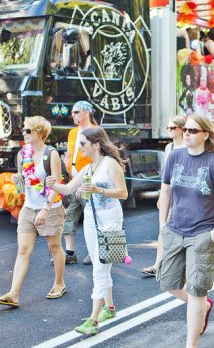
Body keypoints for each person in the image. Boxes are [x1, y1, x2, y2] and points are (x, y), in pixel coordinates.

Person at [157, 114, 214, 347]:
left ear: (206, 134)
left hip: (202, 234)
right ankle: (204, 305)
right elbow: (166, 190)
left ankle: (191, 343)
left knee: (196, 291)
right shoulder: (175, 156)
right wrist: (163, 223)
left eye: (193, 130)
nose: (187, 133)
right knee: (168, 283)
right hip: (175, 230)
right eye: (186, 130)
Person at [46, 127, 128, 335]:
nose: (79, 147)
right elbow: (67, 190)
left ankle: (93, 320)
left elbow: (123, 193)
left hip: (109, 220)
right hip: (91, 222)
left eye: (82, 144)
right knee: (101, 265)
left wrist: (98, 190)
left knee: (100, 268)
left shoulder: (110, 164)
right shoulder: (88, 168)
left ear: (96, 144)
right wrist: (53, 185)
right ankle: (109, 308)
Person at [0, 116, 65, 308]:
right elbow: (23, 185)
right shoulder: (22, 154)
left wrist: (45, 209)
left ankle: (59, 283)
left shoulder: (51, 154)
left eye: (29, 130)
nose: (24, 133)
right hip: (28, 207)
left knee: (54, 247)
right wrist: (17, 183)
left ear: (40, 133)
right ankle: (14, 294)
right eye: (24, 129)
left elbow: (57, 185)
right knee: (23, 249)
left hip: (50, 207)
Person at [141, 116, 186, 276]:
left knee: (180, 229)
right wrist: (161, 195)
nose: (170, 130)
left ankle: (179, 264)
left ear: (181, 129)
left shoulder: (188, 146)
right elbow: (165, 176)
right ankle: (157, 264)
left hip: (184, 193)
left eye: (173, 128)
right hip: (170, 191)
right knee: (163, 226)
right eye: (168, 128)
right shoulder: (169, 147)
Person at [61, 101, 96, 265]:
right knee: (68, 215)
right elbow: (69, 153)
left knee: (91, 217)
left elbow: (100, 158)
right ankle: (70, 253)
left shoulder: (96, 132)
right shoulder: (72, 132)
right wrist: (68, 172)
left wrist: (89, 180)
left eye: (76, 112)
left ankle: (93, 252)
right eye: (72, 112)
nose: (73, 115)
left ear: (87, 113)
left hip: (89, 178)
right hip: (74, 178)